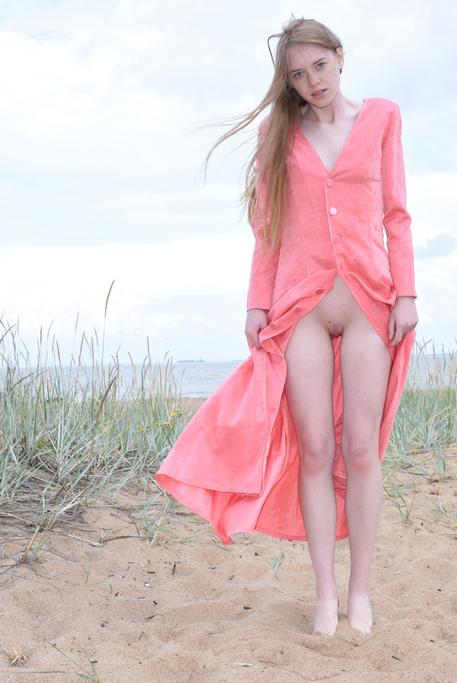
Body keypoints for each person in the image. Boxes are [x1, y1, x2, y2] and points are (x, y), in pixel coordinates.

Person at [156, 17, 417, 637]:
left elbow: (396, 214)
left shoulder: (382, 117)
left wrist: (407, 293)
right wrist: (256, 304)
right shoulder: (280, 131)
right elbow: (268, 226)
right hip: (300, 308)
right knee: (316, 451)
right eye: (298, 75)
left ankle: (359, 592)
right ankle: (325, 595)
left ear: (340, 57)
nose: (312, 81)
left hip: (370, 302)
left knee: (361, 449)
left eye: (319, 66)